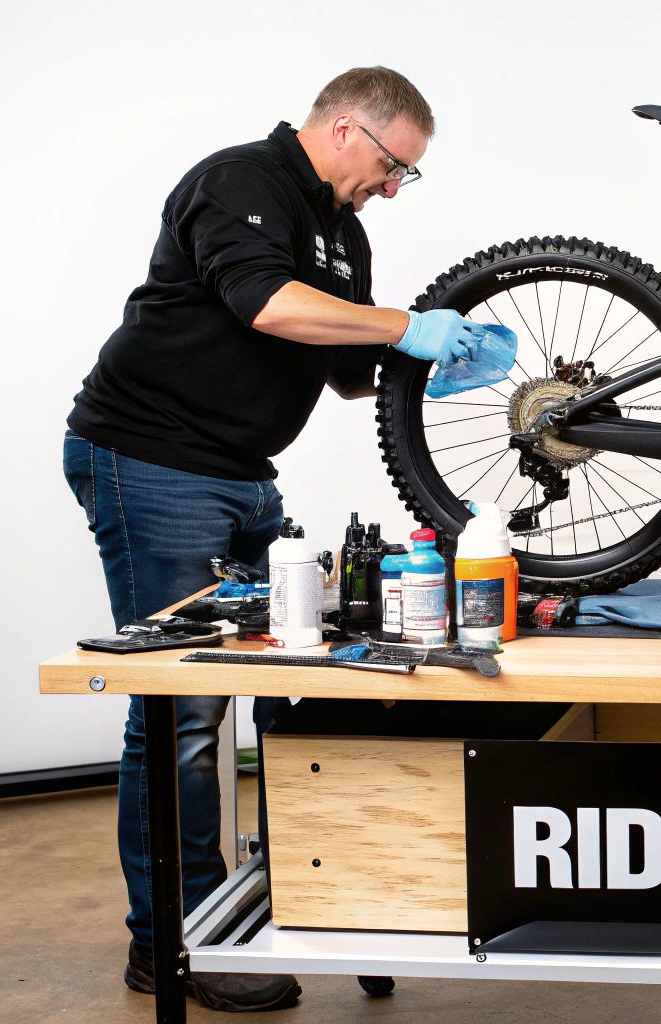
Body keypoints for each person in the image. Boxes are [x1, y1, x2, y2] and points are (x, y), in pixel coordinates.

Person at [63, 66, 491, 1012]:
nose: (390, 188)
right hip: (150, 459)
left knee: (301, 674)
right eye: (391, 166)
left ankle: (305, 896)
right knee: (180, 712)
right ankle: (170, 945)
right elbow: (267, 304)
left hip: (243, 475)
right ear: (344, 129)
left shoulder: (345, 231)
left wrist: (428, 362)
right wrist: (405, 326)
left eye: (403, 177)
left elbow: (343, 368)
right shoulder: (240, 180)